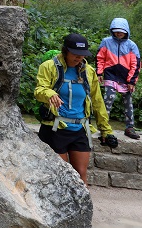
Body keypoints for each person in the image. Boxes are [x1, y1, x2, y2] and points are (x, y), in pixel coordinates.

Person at [35, 33, 116, 185]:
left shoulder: (89, 71)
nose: (79, 58)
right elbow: (39, 90)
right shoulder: (49, 67)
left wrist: (106, 130)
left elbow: (98, 102)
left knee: (80, 175)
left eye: (82, 54)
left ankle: (82, 208)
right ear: (65, 51)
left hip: (80, 129)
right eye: (75, 54)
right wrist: (49, 93)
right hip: (55, 128)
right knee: (60, 174)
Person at [97, 17, 142, 139]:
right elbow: (100, 57)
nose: (119, 33)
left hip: (125, 77)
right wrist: (99, 72)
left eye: (121, 31)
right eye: (116, 30)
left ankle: (129, 127)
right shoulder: (106, 42)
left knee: (128, 102)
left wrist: (132, 81)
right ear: (112, 30)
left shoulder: (131, 45)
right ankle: (103, 126)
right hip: (110, 74)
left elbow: (136, 64)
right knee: (108, 99)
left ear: (126, 31)